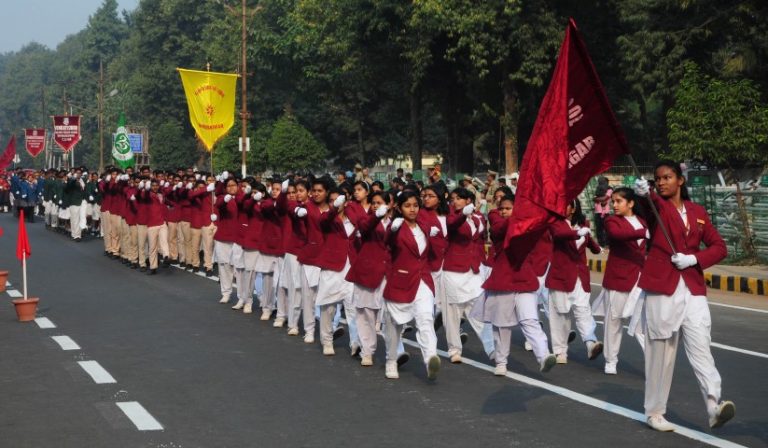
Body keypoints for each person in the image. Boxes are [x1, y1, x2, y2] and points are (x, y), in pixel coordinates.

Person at [633, 160, 734, 432]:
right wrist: (645, 194)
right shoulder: (658, 207)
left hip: (692, 287)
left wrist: (693, 259)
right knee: (661, 353)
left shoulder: (698, 212)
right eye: (657, 179)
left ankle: (714, 405)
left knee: (701, 346)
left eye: (667, 177)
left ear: (681, 180)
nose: (662, 182)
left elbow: (719, 247)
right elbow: (649, 207)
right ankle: (654, 412)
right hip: (663, 288)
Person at [474, 195, 557, 375]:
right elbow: (499, 229)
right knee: (501, 325)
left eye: (508, 208)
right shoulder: (495, 218)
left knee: (530, 320)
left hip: (525, 277)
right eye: (502, 207)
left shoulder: (526, 224)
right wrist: (519, 216)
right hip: (502, 279)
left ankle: (543, 356)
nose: (504, 211)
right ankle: (501, 362)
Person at [382, 190, 441, 380]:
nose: (412, 209)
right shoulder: (396, 227)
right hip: (400, 280)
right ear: (399, 208)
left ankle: (430, 358)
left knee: (425, 318)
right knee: (394, 325)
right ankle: (391, 360)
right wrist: (391, 230)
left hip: (422, 279)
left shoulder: (424, 225)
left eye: (415, 205)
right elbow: (387, 244)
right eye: (407, 206)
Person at [591, 187, 647, 375]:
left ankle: (654, 360)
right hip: (618, 278)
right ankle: (610, 360)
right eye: (612, 201)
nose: (614, 205)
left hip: (639, 279)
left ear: (630, 203)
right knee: (614, 321)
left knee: (643, 322)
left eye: (618, 201)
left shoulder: (643, 221)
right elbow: (617, 235)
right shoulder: (611, 220)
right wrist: (642, 233)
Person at [546, 199, 604, 364]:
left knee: (583, 310)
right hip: (560, 275)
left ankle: (590, 343)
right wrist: (576, 233)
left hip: (580, 276)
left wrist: (596, 248)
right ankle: (560, 351)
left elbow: (587, 239)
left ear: (573, 208)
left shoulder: (582, 224)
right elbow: (558, 235)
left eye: (564, 205)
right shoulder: (554, 223)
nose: (560, 208)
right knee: (560, 315)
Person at [593, 176, 612, 247]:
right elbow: (594, 199)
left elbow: (605, 198)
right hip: (597, 212)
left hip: (605, 212)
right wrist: (599, 199)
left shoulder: (609, 189)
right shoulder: (598, 189)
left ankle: (607, 243)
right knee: (599, 229)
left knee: (606, 229)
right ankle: (601, 244)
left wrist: (598, 199)